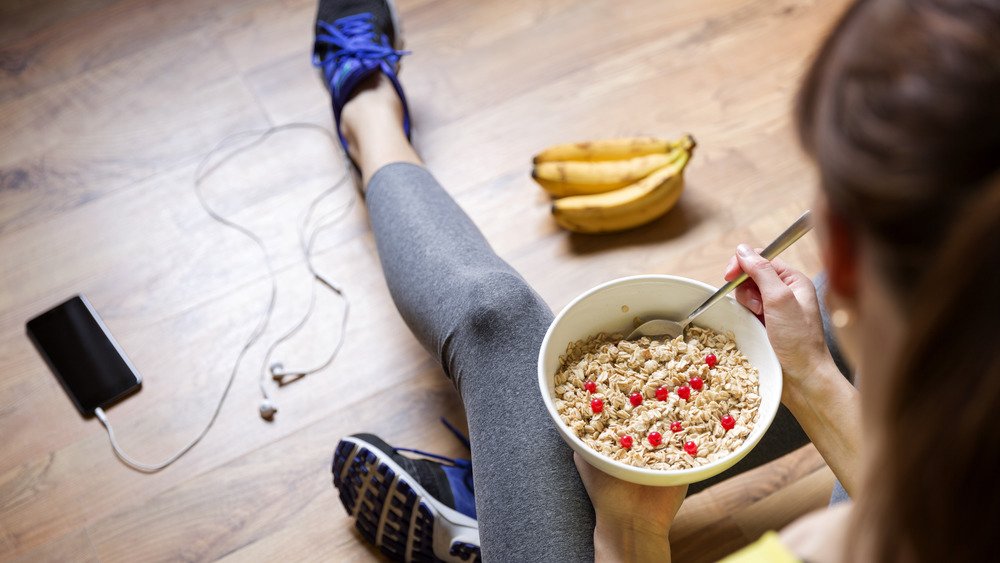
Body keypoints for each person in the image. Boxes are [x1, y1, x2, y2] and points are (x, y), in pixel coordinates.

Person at [317, 0, 1000, 561]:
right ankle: (506, 502)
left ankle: (368, 110)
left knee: (497, 317)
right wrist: (813, 376)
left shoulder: (822, 549)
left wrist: (628, 528)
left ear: (841, 250)